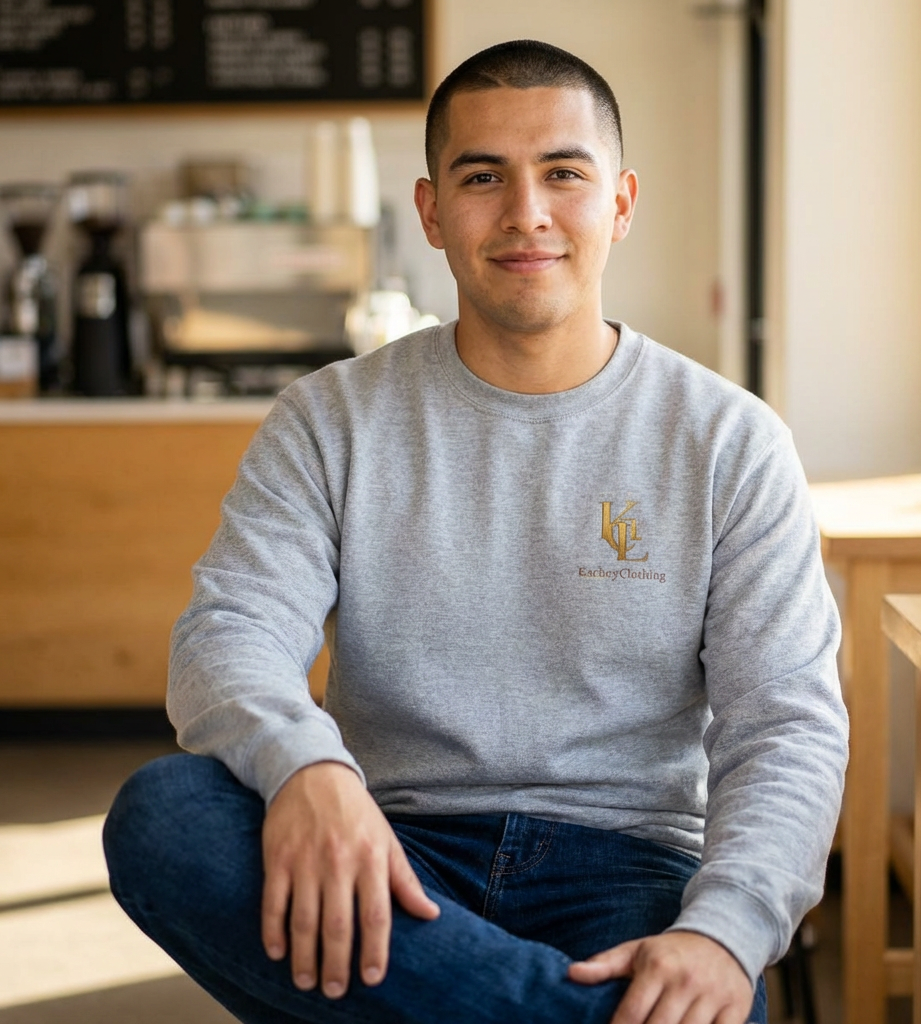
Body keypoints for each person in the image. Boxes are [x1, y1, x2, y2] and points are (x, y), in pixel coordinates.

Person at [104, 39, 848, 1024]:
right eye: (483, 176)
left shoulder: (727, 440)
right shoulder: (331, 420)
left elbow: (786, 724)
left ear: (620, 203)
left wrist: (721, 931)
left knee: (704, 976)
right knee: (165, 819)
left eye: (563, 175)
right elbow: (225, 638)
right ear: (430, 212)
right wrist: (309, 768)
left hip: (626, 860)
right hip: (392, 847)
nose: (526, 213)